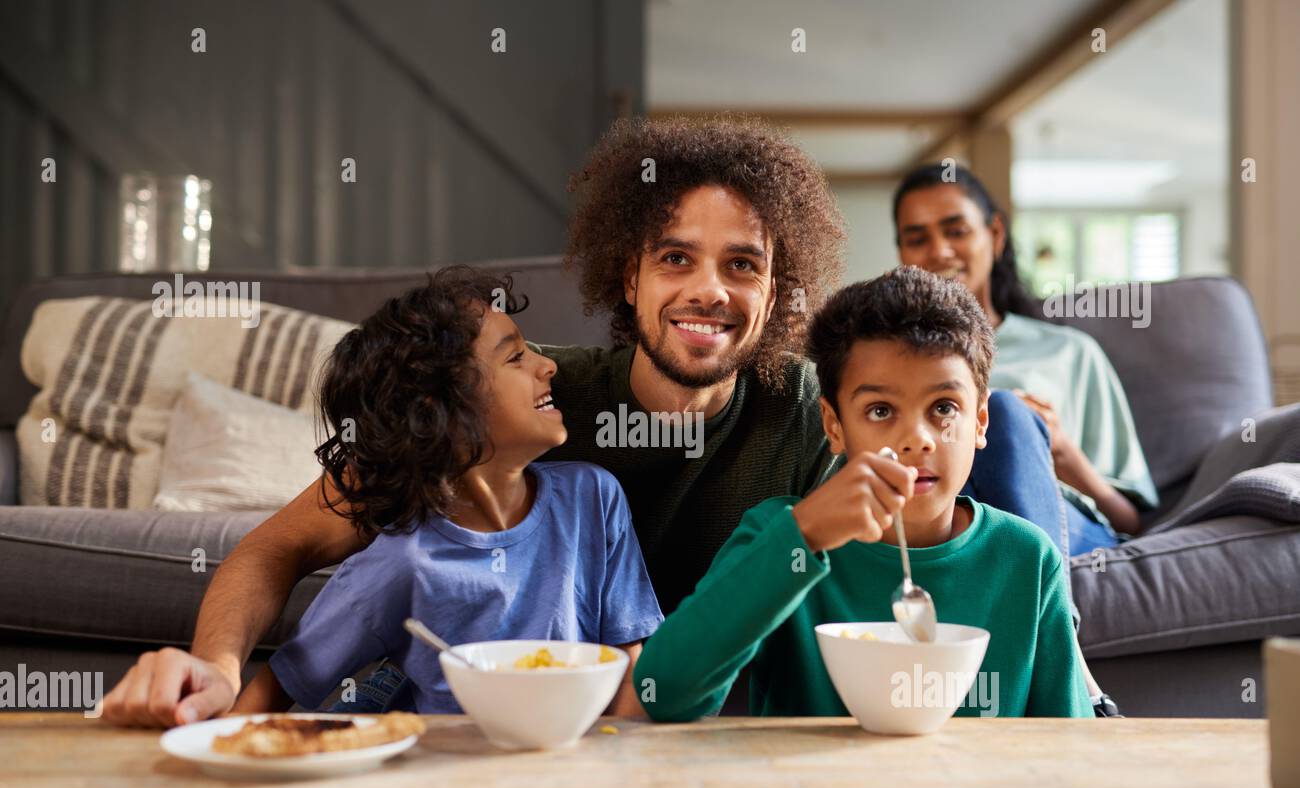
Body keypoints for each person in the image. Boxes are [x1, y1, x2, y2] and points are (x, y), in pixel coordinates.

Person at [101, 117, 1097, 727]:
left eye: (742, 265)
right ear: (627, 272)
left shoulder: (814, 408)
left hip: (673, 684)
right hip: (618, 690)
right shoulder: (527, 402)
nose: (707, 292)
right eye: (676, 258)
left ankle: (1075, 687)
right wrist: (222, 670)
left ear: (778, 287)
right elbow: (276, 546)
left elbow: (918, 520)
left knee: (1004, 421)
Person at [634, 267, 1093, 720]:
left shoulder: (1029, 560)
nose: (917, 439)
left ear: (980, 422)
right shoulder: (779, 533)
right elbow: (663, 692)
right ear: (834, 426)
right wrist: (804, 534)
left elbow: (1071, 748)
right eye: (880, 410)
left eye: (943, 408)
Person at [231, 267, 661, 717]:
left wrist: (618, 761)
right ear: (444, 413)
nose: (547, 364)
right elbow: (281, 686)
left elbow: (629, 661)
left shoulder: (593, 498)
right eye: (515, 358)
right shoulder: (404, 561)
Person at [893, 163, 1159, 555]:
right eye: (917, 238)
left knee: (1003, 408)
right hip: (939, 520)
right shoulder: (889, 362)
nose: (939, 251)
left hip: (1064, 527)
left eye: (956, 231)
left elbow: (1129, 520)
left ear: (995, 235)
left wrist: (1061, 450)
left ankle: (1037, 605)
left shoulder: (1069, 352)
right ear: (902, 253)